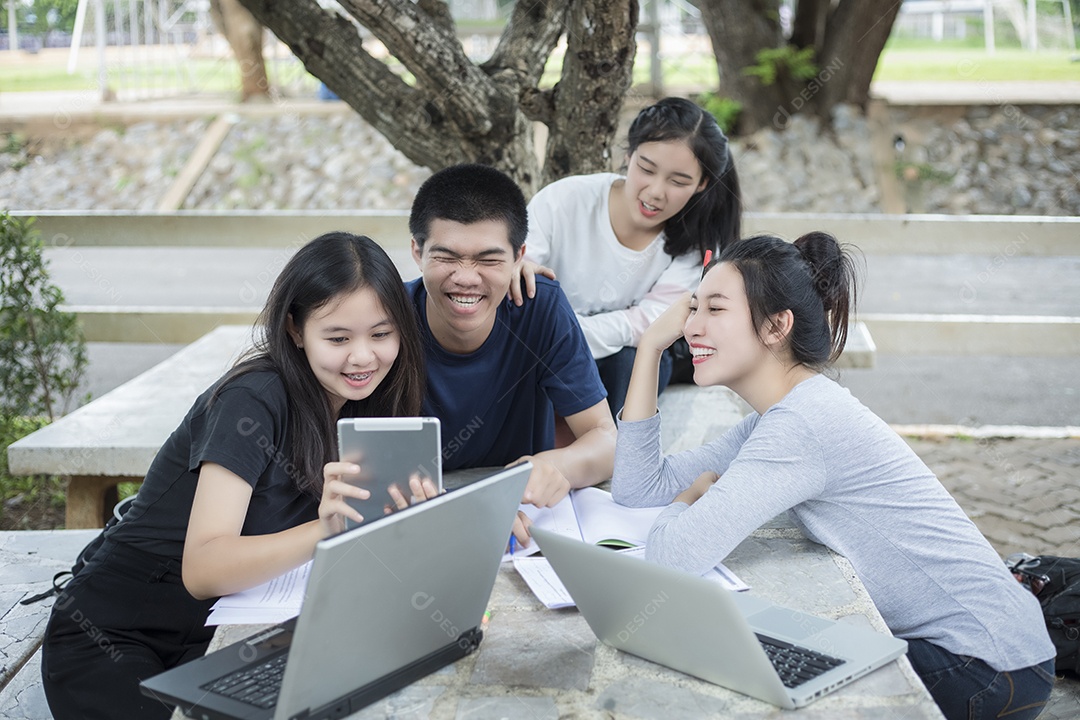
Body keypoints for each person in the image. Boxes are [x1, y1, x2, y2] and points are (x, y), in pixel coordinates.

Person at [611, 233, 1056, 720]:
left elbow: (672, 560)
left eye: (714, 310)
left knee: (749, 677)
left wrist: (688, 503)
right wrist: (651, 346)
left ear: (776, 326)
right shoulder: (778, 416)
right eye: (691, 308)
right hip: (991, 652)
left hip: (988, 667)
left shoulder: (802, 423)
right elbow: (639, 488)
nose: (691, 327)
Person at [41, 232, 434, 720]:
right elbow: (205, 568)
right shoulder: (253, 399)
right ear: (295, 329)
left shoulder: (373, 402)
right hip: (117, 632)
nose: (362, 356)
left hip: (229, 629)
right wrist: (328, 528)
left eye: (381, 334)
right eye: (337, 338)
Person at [406, 163, 616, 543]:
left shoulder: (539, 306)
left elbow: (607, 439)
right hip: (417, 522)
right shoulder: (384, 319)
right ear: (416, 251)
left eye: (489, 259)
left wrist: (557, 464)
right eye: (447, 257)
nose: (467, 277)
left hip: (524, 523)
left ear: (520, 255)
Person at [518, 96, 742, 418]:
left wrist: (569, 335)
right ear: (628, 155)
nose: (655, 191)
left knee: (633, 360)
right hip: (542, 349)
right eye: (646, 169)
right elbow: (519, 275)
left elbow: (653, 321)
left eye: (678, 181)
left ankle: (610, 450)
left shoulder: (697, 244)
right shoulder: (565, 201)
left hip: (620, 358)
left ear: (702, 184)